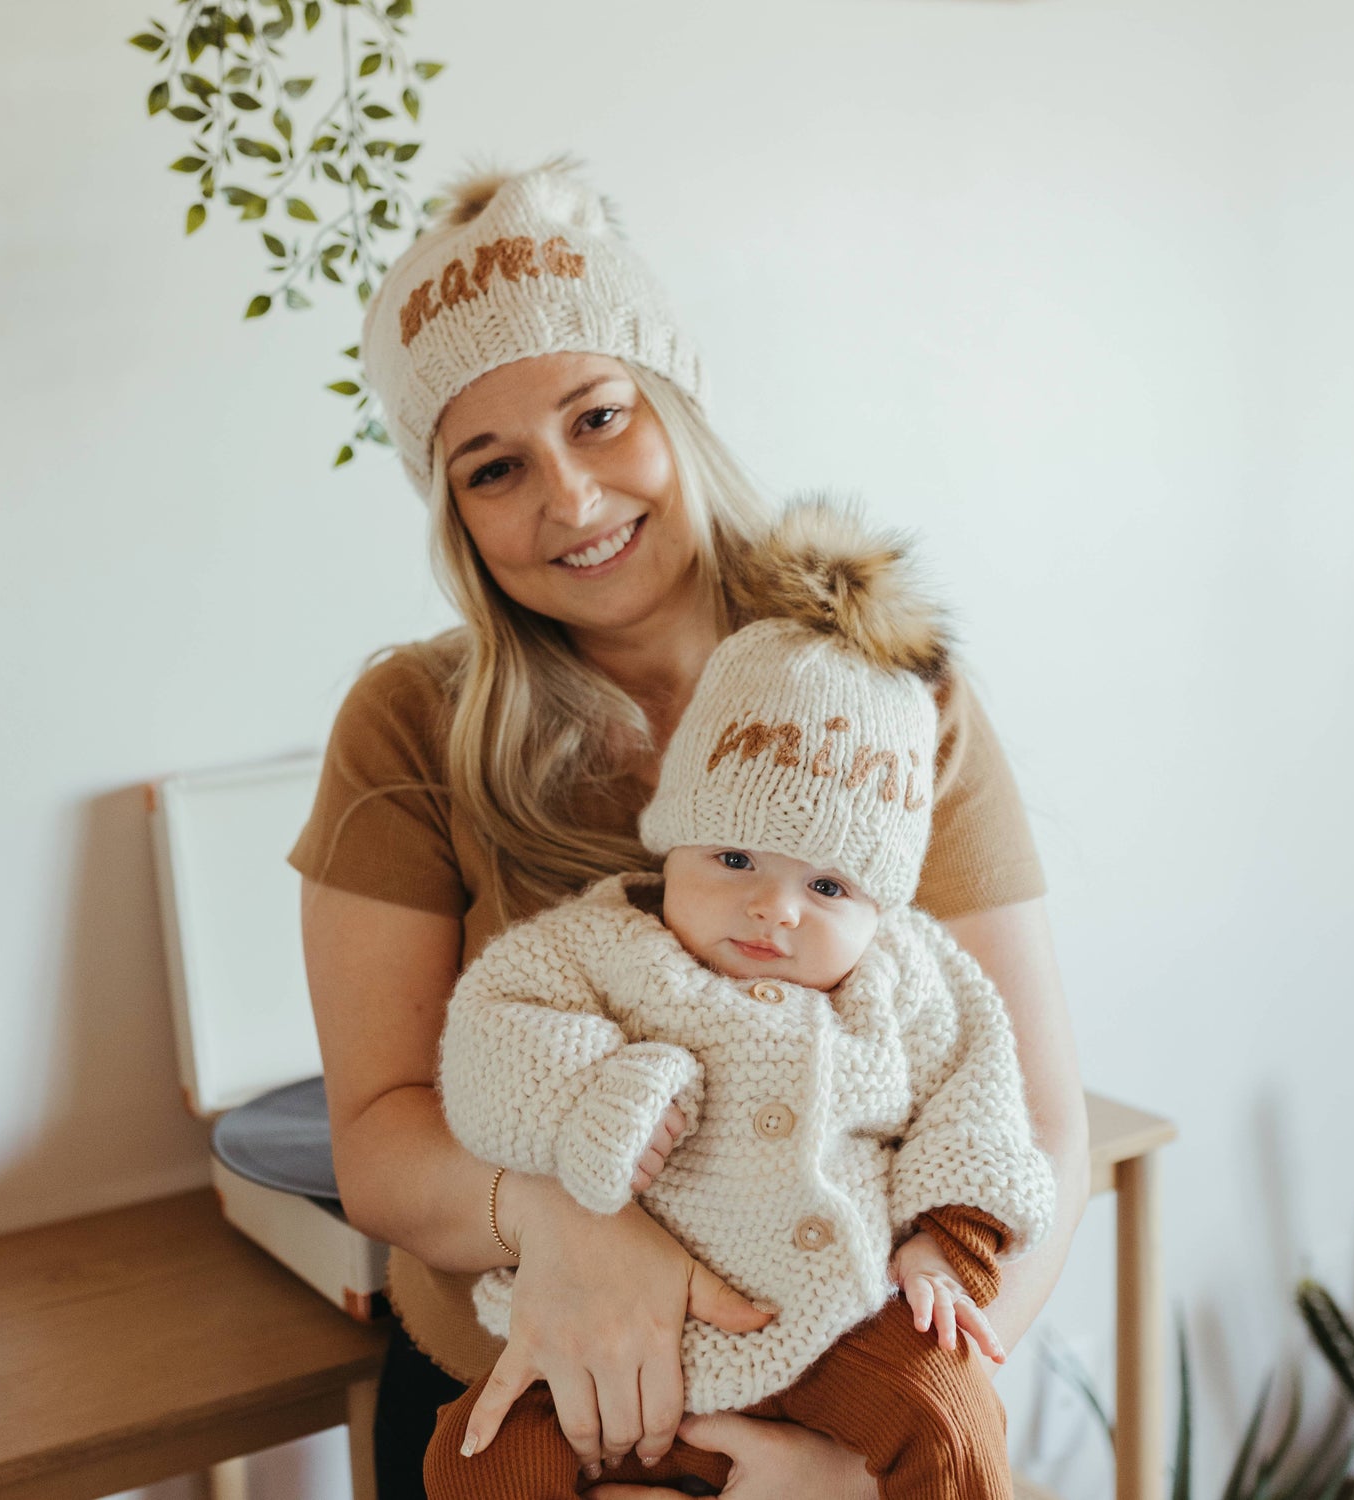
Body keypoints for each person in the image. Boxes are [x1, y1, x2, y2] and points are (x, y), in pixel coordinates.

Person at [290, 157, 1091, 1499]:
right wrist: (554, 1219)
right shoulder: (412, 723)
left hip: (841, 1381)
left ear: (675, 401)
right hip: (526, 1396)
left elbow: (1037, 1124)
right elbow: (376, 1138)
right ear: (456, 513)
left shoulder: (882, 689)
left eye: (599, 416)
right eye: (495, 468)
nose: (570, 497)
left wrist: (869, 1451)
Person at [424, 504, 1057, 1498]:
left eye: (830, 887)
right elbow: (490, 1040)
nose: (774, 908)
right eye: (733, 857)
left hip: (844, 1318)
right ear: (668, 842)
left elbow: (982, 1111)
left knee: (953, 1414)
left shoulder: (912, 981)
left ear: (878, 905)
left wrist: (947, 1248)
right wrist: (604, 1094)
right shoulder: (601, 945)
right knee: (479, 1456)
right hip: (614, 1332)